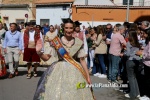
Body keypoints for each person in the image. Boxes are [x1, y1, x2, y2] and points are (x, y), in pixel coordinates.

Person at [34, 18, 94, 100]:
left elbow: (82, 60)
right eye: (66, 28)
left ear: (73, 29)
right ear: (63, 28)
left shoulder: (78, 42)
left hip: (75, 71)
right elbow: (46, 58)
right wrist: (39, 52)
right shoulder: (56, 41)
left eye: (70, 28)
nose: (68, 30)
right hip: (59, 71)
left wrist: (88, 77)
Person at [124, 30, 141, 99]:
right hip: (137, 60)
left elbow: (128, 54)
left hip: (130, 60)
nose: (127, 36)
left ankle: (132, 94)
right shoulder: (138, 43)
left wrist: (124, 52)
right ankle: (137, 93)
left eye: (128, 35)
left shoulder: (128, 43)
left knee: (130, 77)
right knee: (134, 77)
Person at [136, 29, 150, 100]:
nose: (143, 35)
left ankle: (147, 95)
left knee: (147, 80)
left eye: (144, 34)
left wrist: (142, 53)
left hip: (148, 64)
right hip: (147, 63)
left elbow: (149, 54)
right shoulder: (148, 42)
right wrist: (143, 49)